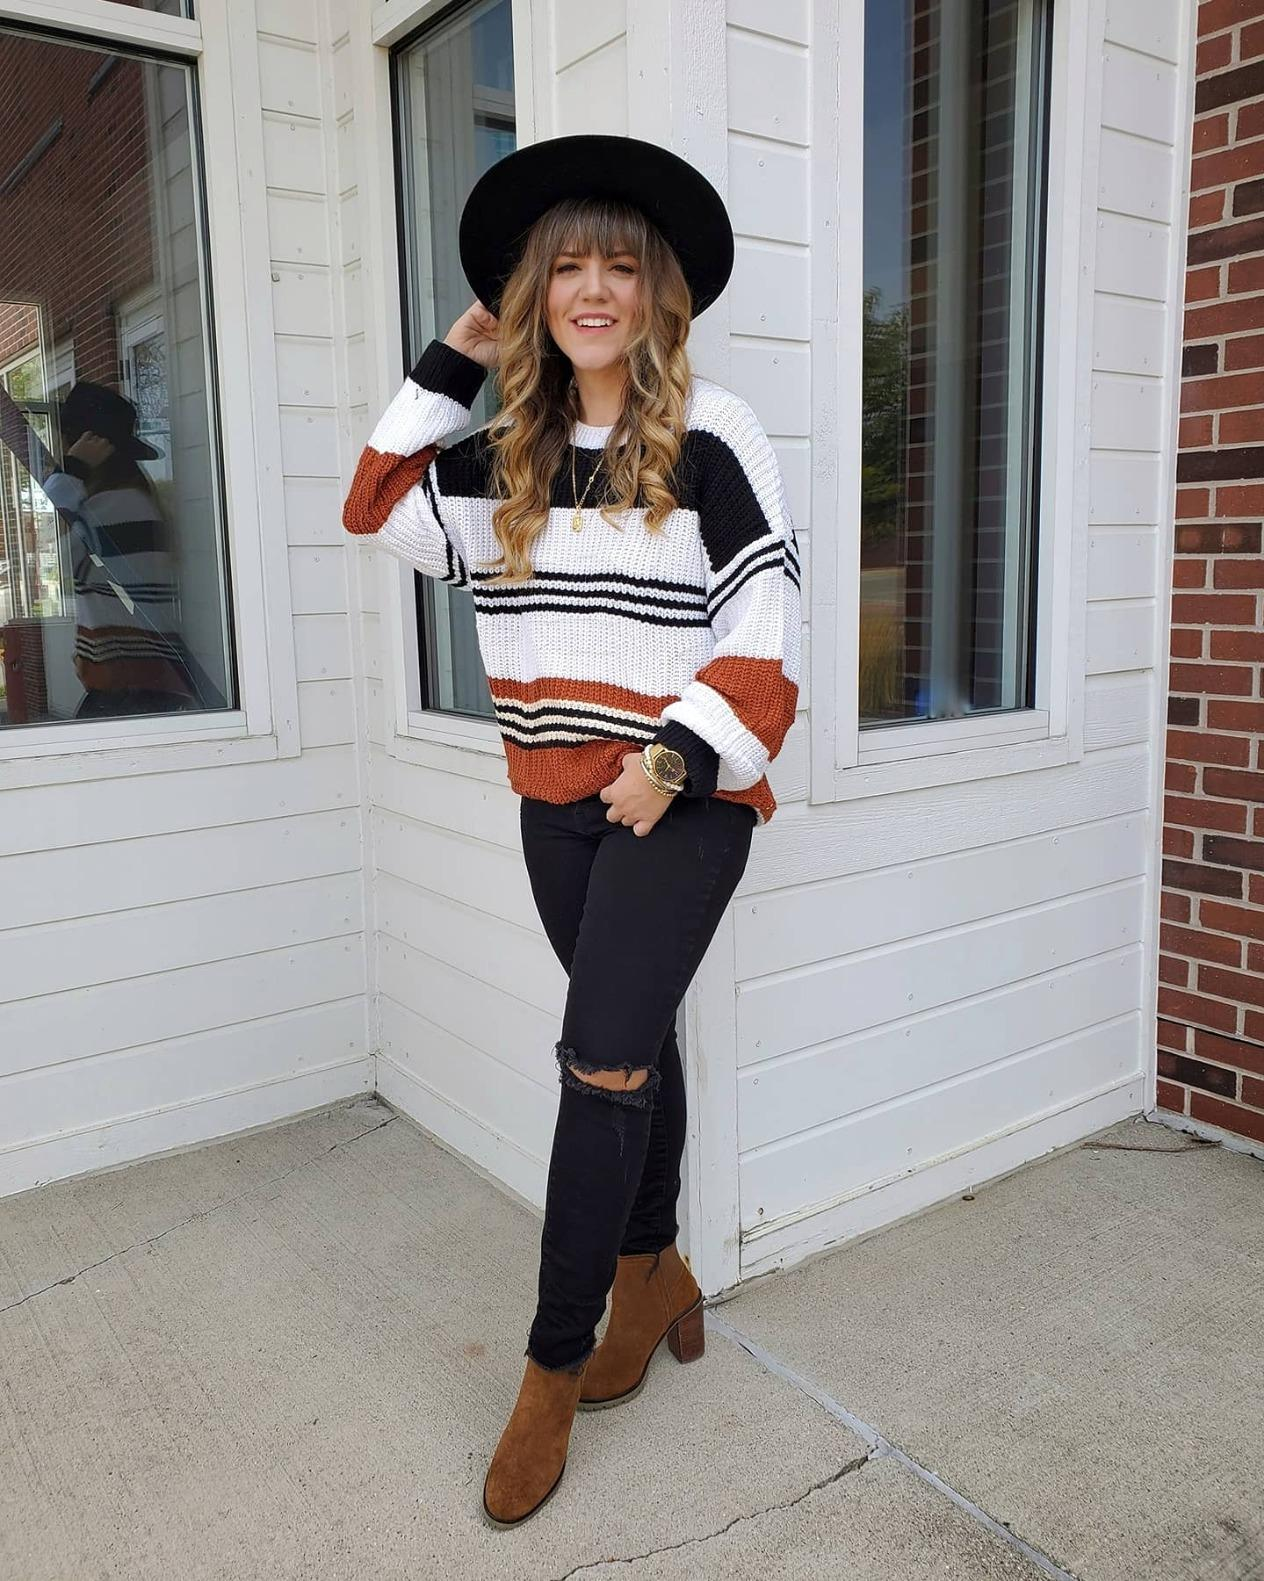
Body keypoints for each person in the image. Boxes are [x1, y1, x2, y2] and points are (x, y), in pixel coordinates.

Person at [342, 132, 802, 1529]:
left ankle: (551, 1364)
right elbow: (374, 506)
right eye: (566, 269)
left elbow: (766, 632)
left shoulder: (715, 434)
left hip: (680, 801)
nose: (594, 291)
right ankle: (655, 1272)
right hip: (553, 806)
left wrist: (673, 759)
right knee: (635, 1046)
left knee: (598, 1066)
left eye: (620, 267)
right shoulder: (504, 456)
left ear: (660, 292)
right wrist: (453, 354)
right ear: (532, 292)